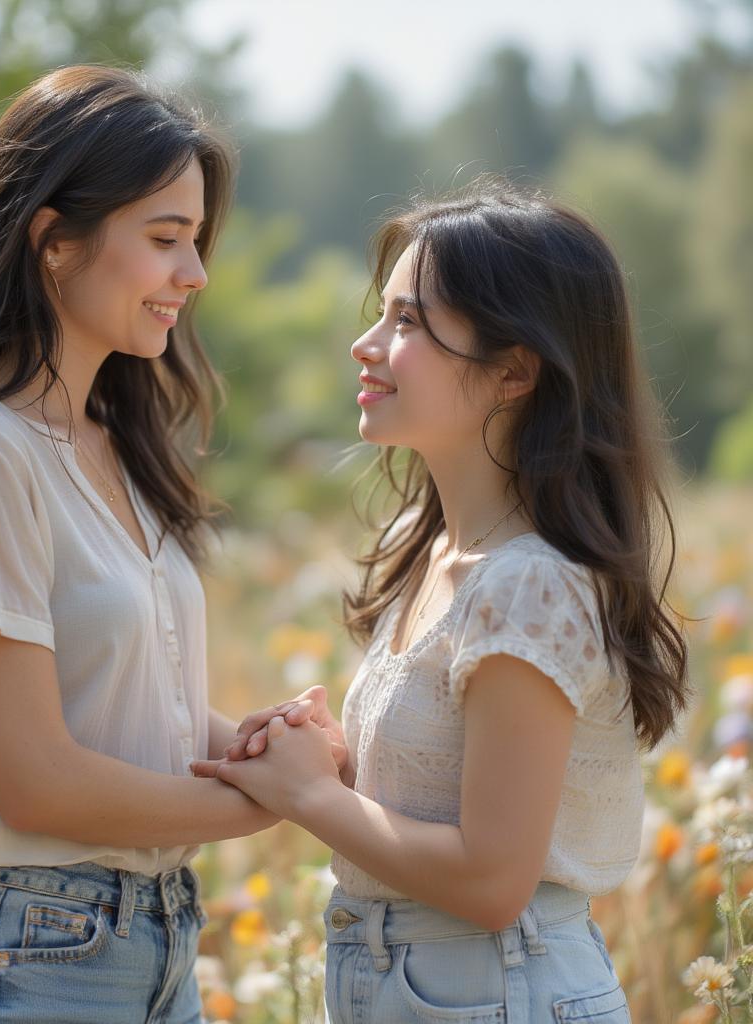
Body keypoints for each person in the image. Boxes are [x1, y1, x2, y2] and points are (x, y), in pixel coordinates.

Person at [0, 64, 323, 1024]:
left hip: (153, 941)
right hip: (19, 954)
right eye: (166, 238)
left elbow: (113, 698)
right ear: (55, 242)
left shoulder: (110, 441)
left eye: (198, 241)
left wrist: (250, 743)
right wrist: (272, 803)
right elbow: (36, 779)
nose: (196, 273)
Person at [192, 178, 691, 1023]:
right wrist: (338, 763)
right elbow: (453, 810)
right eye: (382, 313)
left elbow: (494, 882)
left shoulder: (526, 583)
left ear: (514, 371)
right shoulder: (436, 559)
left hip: (497, 986)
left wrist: (311, 797)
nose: (366, 343)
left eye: (409, 322)